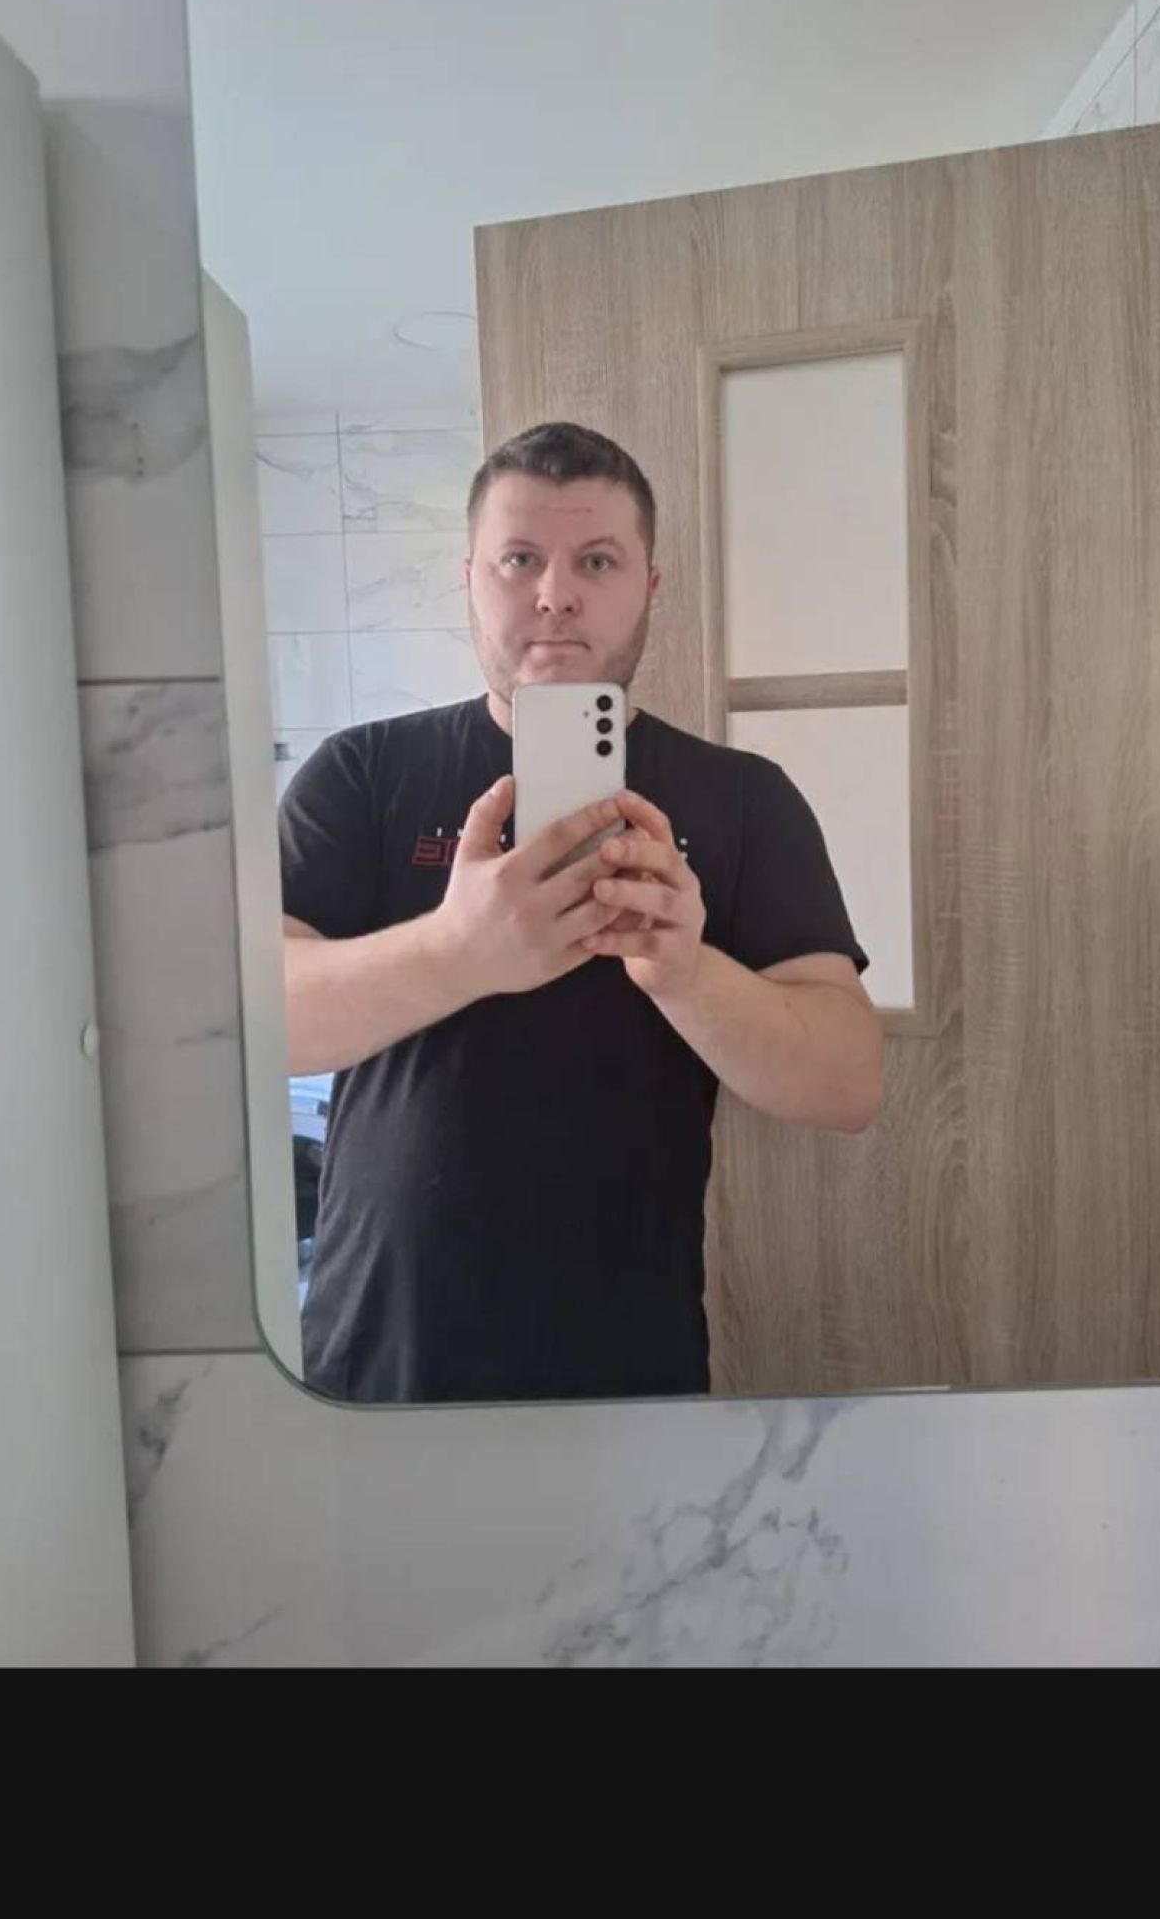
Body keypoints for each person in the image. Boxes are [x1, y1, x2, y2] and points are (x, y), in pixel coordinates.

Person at [279, 421, 883, 1403]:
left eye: (596, 560)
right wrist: (457, 952)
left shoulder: (742, 799)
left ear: (649, 585)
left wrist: (685, 972)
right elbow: (254, 1024)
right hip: (379, 1357)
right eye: (519, 558)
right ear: (469, 579)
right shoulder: (362, 774)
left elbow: (847, 1082)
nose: (555, 593)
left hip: (627, 1361)